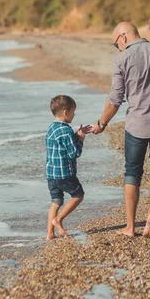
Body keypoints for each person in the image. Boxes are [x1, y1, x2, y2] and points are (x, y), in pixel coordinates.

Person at [90, 21, 150, 238]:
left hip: (136, 125)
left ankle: (130, 227)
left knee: (132, 172)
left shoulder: (122, 59)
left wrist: (101, 124)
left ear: (123, 37)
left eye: (115, 43)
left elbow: (115, 100)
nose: (117, 48)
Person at [45, 95, 91, 240]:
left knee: (56, 202)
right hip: (64, 174)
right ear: (66, 112)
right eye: (73, 112)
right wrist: (81, 138)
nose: (74, 115)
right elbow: (74, 153)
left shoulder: (52, 127)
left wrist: (76, 135)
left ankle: (50, 234)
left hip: (51, 174)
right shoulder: (66, 131)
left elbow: (62, 146)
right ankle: (58, 219)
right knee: (78, 195)